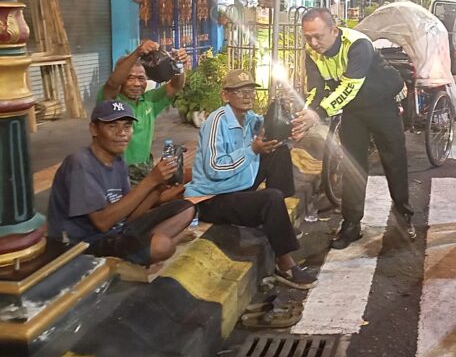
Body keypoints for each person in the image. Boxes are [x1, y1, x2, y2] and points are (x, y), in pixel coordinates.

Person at [291, 8, 414, 250]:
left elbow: (350, 87)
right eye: (308, 37)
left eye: (318, 36)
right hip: (353, 109)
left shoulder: (358, 45)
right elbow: (315, 88)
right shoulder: (312, 53)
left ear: (334, 31)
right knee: (353, 166)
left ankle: (403, 217)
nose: (313, 43)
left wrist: (320, 112)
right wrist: (308, 112)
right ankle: (351, 224)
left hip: (382, 103)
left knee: (394, 161)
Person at [185, 69, 316, 290]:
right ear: (226, 95)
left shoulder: (249, 118)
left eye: (250, 91)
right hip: (213, 196)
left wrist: (285, 111)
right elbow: (214, 168)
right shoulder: (216, 122)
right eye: (240, 92)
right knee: (270, 197)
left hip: (237, 184)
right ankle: (284, 265)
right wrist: (252, 150)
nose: (247, 96)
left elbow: (273, 128)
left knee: (279, 152)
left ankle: (278, 221)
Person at [47, 100, 195, 266]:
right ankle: (158, 245)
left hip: (117, 231)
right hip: (83, 244)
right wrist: (150, 180)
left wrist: (157, 189)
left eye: (127, 126)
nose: (122, 133)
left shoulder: (118, 161)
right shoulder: (80, 163)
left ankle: (144, 248)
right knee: (162, 246)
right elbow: (102, 223)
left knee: (186, 209)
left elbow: (128, 216)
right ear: (94, 129)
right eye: (112, 126)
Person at [99, 40, 188, 185]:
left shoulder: (149, 101)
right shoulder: (111, 102)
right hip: (116, 174)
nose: (137, 83)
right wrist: (137, 53)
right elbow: (112, 84)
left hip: (145, 171)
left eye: (141, 78)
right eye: (130, 78)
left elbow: (175, 86)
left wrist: (179, 65)